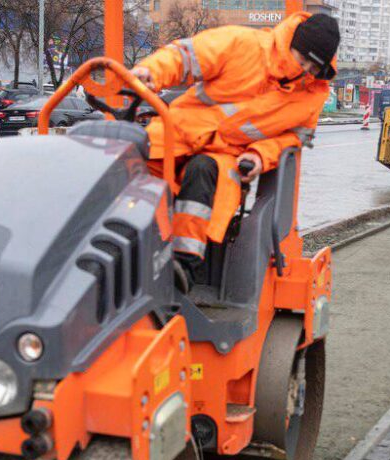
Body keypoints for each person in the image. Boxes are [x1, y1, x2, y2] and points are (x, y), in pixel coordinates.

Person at [131, 12, 338, 287]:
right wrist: (151, 72)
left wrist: (259, 156)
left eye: (314, 69)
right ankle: (126, 254)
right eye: (303, 62)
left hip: (224, 155)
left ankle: (182, 267)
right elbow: (185, 58)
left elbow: (291, 139)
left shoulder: (311, 97)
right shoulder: (243, 44)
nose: (306, 72)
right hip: (176, 134)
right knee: (129, 167)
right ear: (291, 43)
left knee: (203, 171)